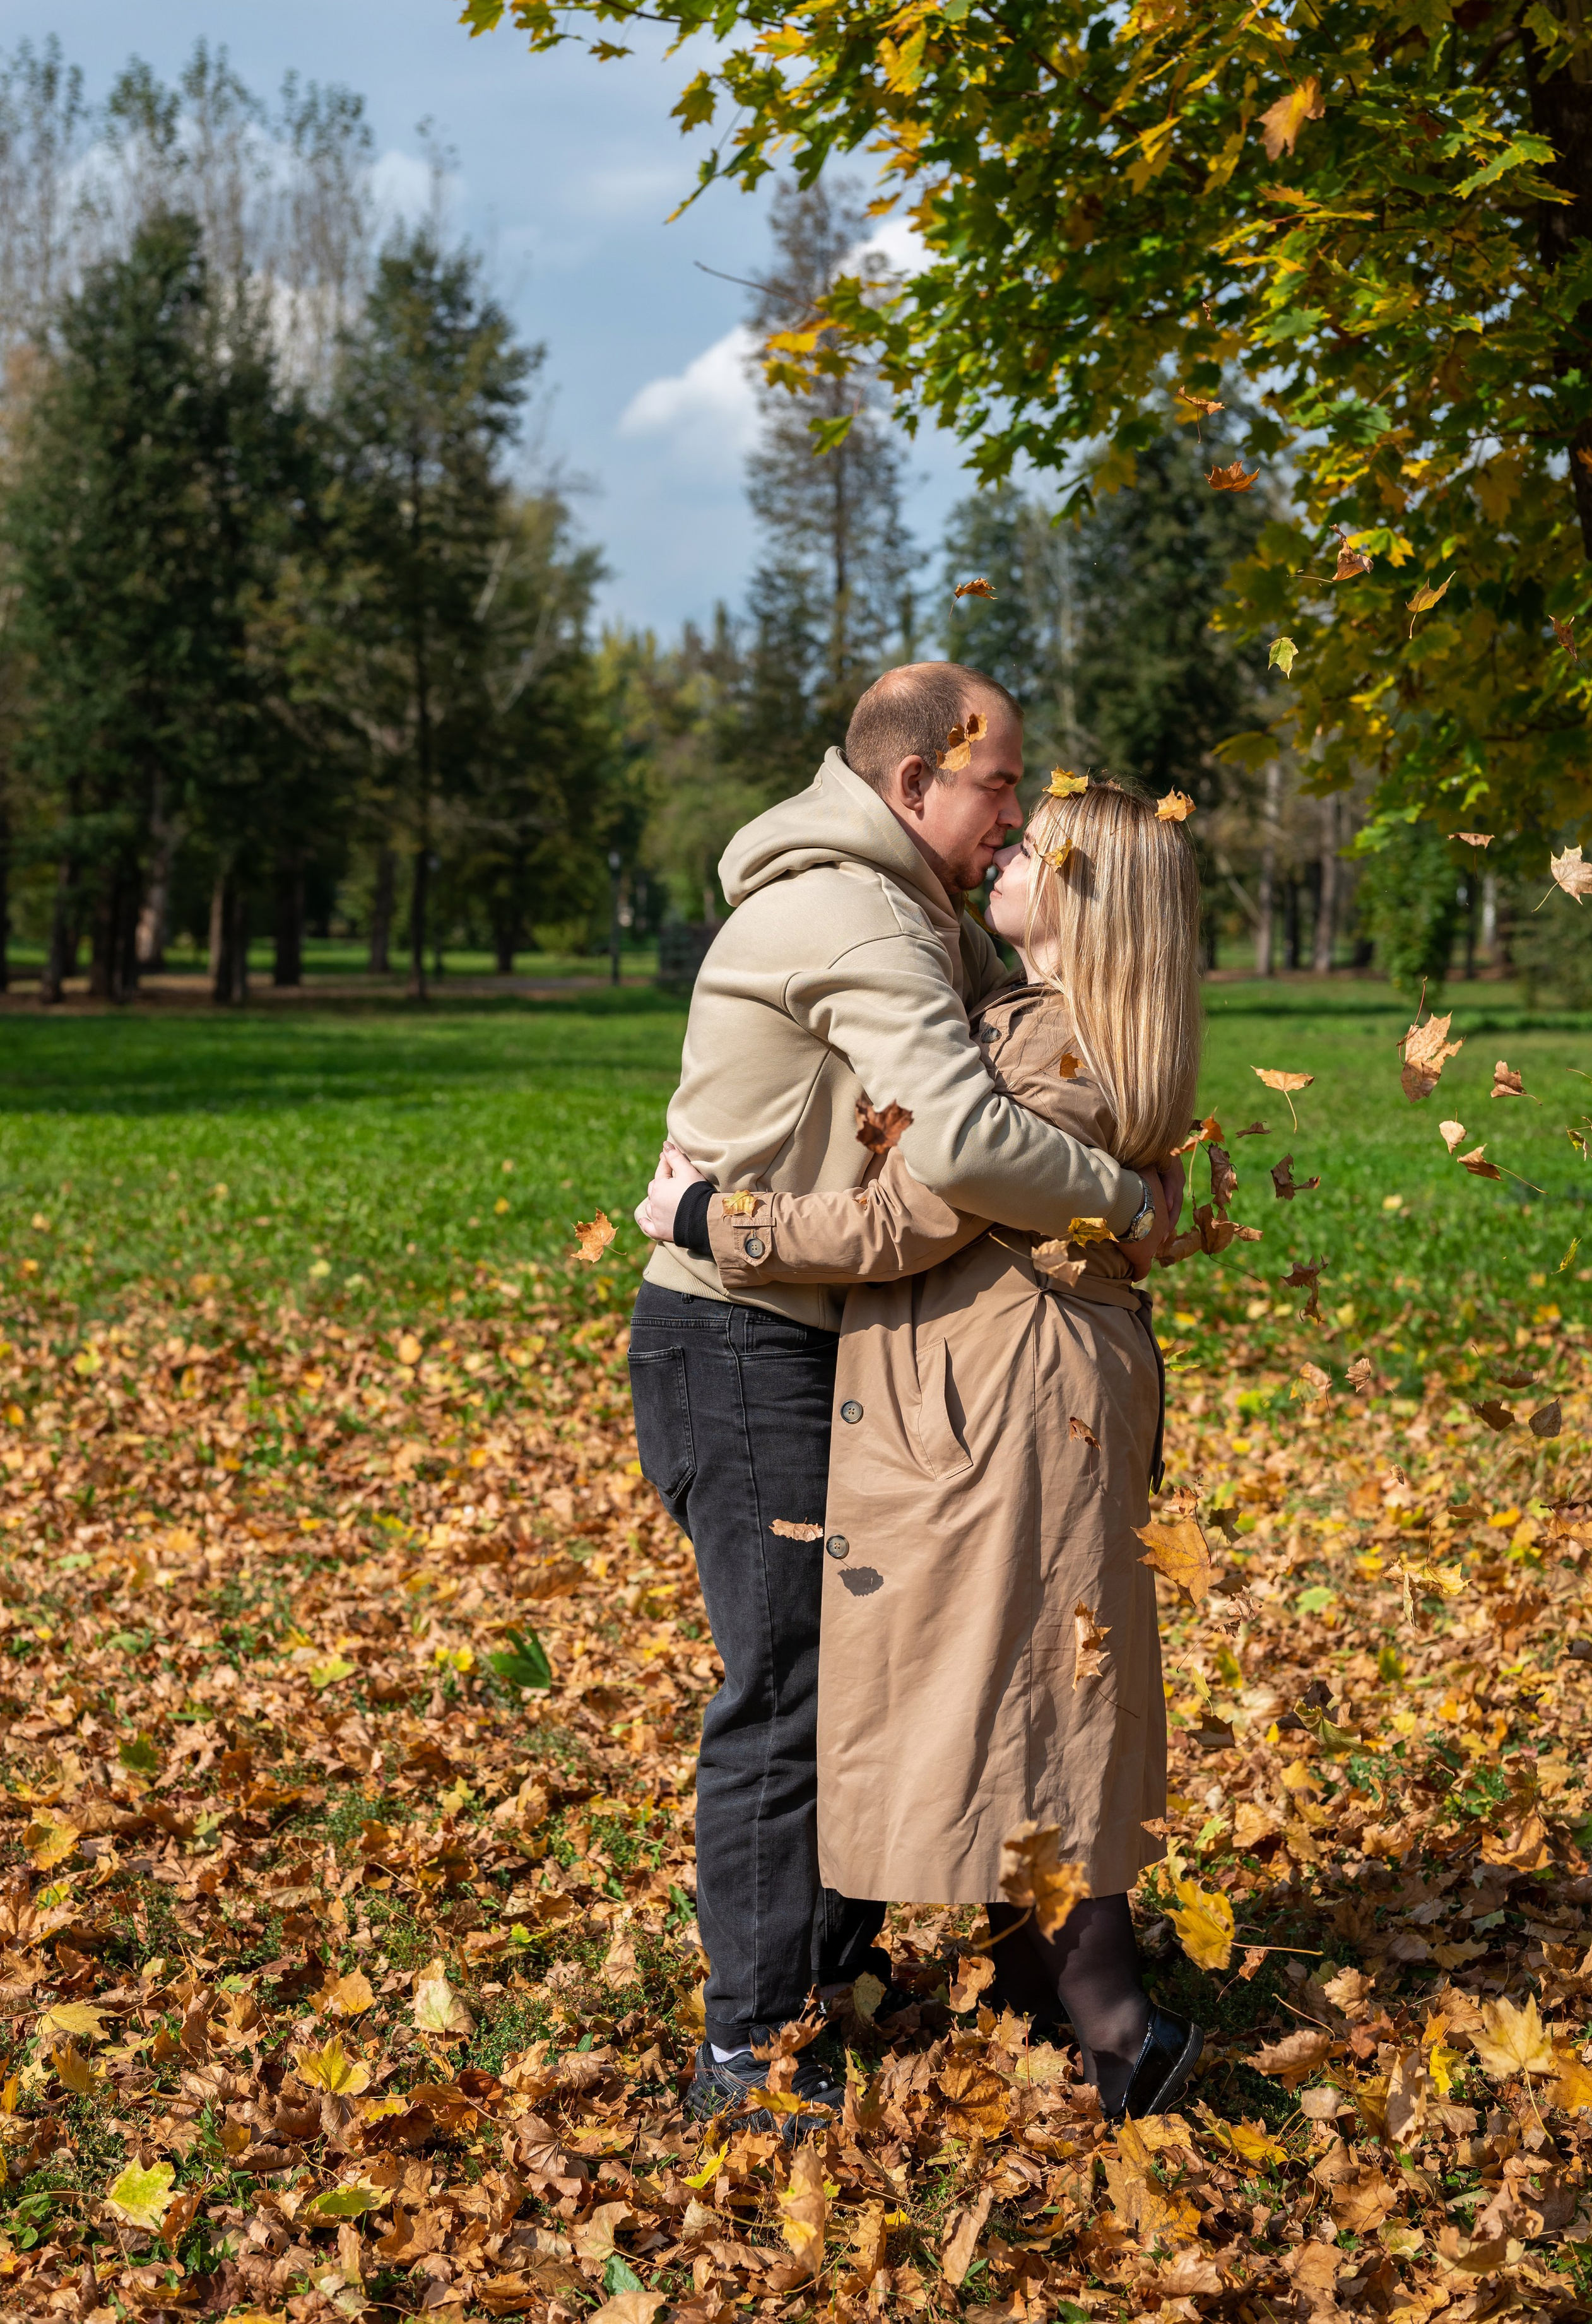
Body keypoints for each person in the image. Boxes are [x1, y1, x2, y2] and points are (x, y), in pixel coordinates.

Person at [627, 664, 1179, 2128]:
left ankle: (843, 1984)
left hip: (813, 1332)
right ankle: (752, 2045)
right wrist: (1126, 1193)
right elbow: (962, 1146)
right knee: (793, 1687)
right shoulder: (856, 913)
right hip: (742, 1339)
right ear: (909, 786)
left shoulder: (917, 911)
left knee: (843, 1676)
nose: (1012, 810)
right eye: (995, 782)